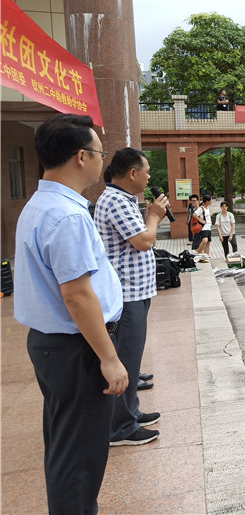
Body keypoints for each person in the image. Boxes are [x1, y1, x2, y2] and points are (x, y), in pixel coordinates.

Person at [14, 114, 128, 514]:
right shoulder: (67, 216)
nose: (102, 160)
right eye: (100, 152)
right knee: (79, 457)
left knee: (68, 446)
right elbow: (77, 296)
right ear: (82, 156)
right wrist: (110, 358)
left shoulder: (42, 204)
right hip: (76, 348)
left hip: (56, 346)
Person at [94, 148, 168, 447]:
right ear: (132, 173)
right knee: (125, 357)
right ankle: (120, 428)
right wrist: (154, 216)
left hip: (134, 292)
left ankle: (131, 412)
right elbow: (143, 241)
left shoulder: (122, 199)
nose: (149, 176)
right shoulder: (115, 201)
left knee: (132, 357)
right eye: (146, 171)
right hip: (125, 295)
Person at [191, 195, 212, 260]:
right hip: (203, 228)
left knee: (208, 243)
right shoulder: (201, 208)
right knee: (204, 240)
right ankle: (200, 252)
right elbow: (194, 215)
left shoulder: (207, 208)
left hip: (208, 228)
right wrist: (201, 221)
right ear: (207, 201)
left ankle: (206, 257)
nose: (211, 202)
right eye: (210, 200)